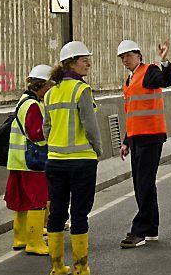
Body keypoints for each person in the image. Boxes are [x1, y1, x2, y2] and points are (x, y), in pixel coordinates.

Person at [43, 41, 103, 275]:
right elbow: (90, 125)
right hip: (81, 162)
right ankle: (82, 268)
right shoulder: (82, 90)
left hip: (55, 161)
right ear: (71, 63)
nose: (89, 63)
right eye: (83, 59)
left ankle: (57, 267)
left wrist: (56, 147)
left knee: (57, 212)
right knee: (79, 214)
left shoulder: (51, 93)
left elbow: (46, 128)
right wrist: (97, 150)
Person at [118, 39, 171, 248]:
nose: (125, 60)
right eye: (122, 57)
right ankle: (151, 229)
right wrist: (127, 140)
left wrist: (165, 60)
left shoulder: (149, 71)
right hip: (137, 139)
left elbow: (166, 80)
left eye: (129, 56)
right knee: (144, 184)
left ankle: (139, 230)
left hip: (151, 137)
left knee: (143, 184)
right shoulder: (129, 80)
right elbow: (132, 114)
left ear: (139, 56)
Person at [4, 64, 53, 256]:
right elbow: (36, 134)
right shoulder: (33, 105)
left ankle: (20, 238)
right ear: (42, 85)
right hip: (31, 161)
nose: (50, 89)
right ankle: (34, 242)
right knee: (37, 200)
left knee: (22, 200)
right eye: (49, 85)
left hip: (17, 159)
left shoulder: (23, 101)